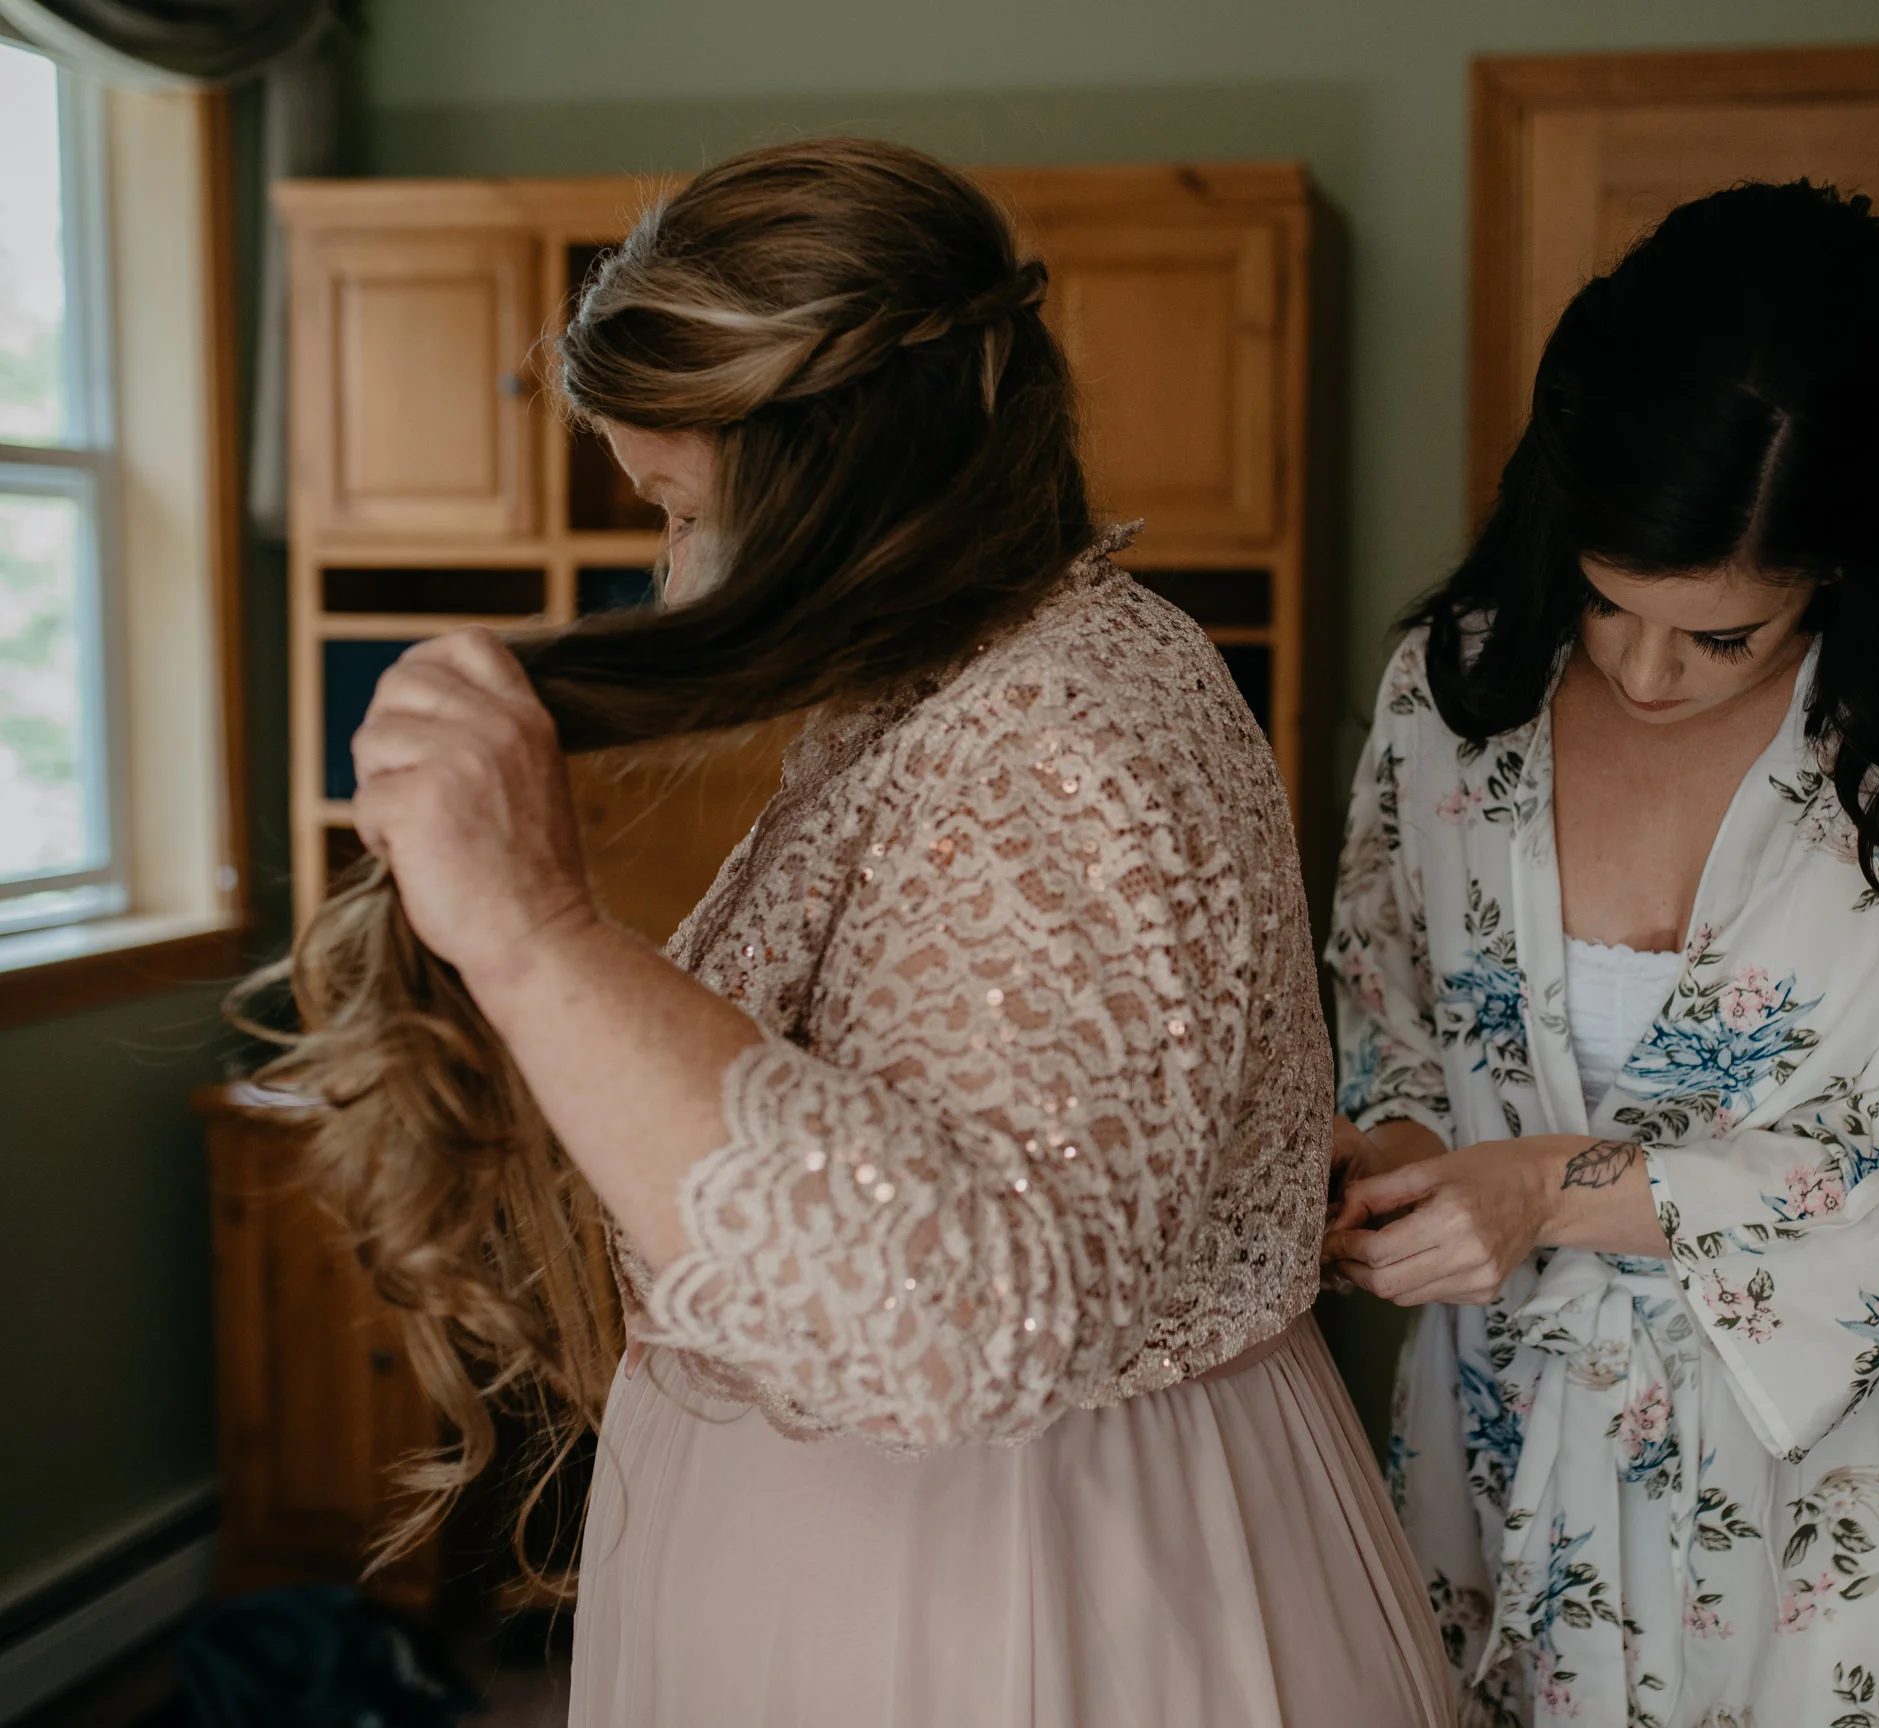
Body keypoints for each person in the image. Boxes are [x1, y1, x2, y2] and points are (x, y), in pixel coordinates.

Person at [259, 139, 1453, 1728]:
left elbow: (963, 1332)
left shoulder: (1065, 730)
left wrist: (541, 933)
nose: (670, 573)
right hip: (867, 1547)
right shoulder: (947, 693)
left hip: (1007, 1594)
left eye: (680, 509)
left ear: (828, 481)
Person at [1321, 180, 1879, 1728]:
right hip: (1487, 1436)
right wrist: (1402, 1172)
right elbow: (1388, 1013)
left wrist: (1547, 1192)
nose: (1646, 672)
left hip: (1805, 1506)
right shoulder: (1449, 698)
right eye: (1604, 602)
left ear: (1838, 566)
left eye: (1723, 638)